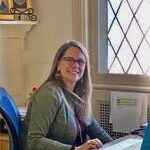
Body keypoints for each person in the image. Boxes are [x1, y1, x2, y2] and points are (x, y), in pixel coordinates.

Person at [20, 40, 113, 150]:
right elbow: (34, 141)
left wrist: (118, 146)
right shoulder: (49, 94)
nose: (75, 65)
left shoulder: (77, 96)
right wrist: (77, 149)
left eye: (81, 61)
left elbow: (98, 132)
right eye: (69, 59)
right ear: (58, 64)